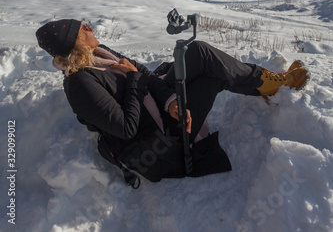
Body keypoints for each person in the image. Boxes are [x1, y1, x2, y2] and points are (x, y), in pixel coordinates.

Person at [36, 18, 308, 185]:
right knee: (213, 77)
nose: (90, 26)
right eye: (83, 27)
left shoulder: (102, 53)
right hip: (156, 140)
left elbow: (143, 75)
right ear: (74, 42)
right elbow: (127, 128)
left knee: (199, 53)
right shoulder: (79, 83)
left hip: (159, 111)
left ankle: (271, 83)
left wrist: (170, 103)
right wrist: (132, 80)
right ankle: (273, 86)